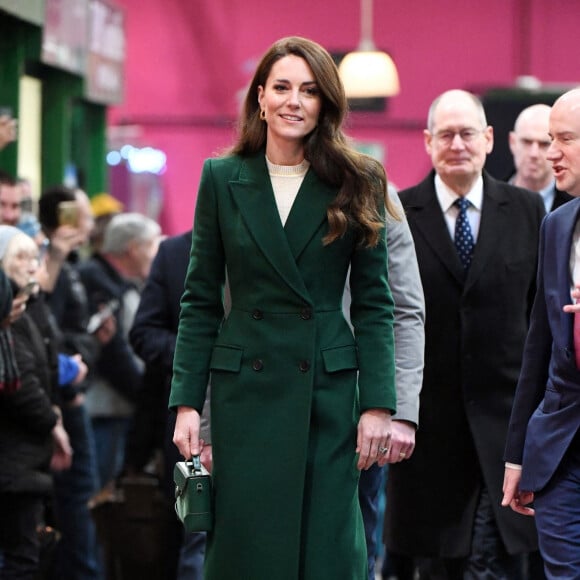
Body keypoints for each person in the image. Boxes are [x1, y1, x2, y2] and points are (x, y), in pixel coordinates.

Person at [170, 36, 396, 580]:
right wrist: (185, 404)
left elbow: (374, 305)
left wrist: (378, 405)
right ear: (261, 97)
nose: (295, 101)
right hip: (244, 394)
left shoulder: (357, 178)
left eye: (310, 90)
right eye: (283, 88)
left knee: (328, 551)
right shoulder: (222, 178)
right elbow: (199, 299)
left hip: (325, 388)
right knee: (248, 550)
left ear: (326, 103)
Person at [385, 89, 545, 580]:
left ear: (490, 139)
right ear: (428, 141)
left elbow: (540, 324)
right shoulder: (397, 214)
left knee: (506, 562)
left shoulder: (528, 212)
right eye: (446, 134)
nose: (457, 144)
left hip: (509, 432)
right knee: (434, 565)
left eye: (468, 133)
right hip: (427, 434)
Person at [502, 87, 580, 578]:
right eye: (549, 139)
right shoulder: (555, 224)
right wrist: (516, 456)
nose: (549, 153)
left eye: (564, 140)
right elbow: (540, 348)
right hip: (558, 453)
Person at [129, 230, 210, 580]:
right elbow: (143, 333)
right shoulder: (175, 252)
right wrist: (195, 353)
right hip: (189, 413)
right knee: (196, 531)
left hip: (262, 411)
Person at [0, 225, 73, 578]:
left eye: (34, 257)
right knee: (21, 559)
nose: (32, 266)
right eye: (21, 257)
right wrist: (52, 419)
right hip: (14, 460)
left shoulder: (24, 309)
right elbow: (20, 385)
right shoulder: (10, 317)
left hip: (22, 459)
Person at [79, 212, 161, 490]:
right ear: (133, 248)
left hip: (119, 407)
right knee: (98, 494)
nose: (156, 254)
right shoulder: (96, 279)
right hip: (103, 408)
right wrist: (145, 393)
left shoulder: (122, 282)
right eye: (151, 246)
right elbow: (111, 353)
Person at [509, 103, 573, 212]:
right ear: (512, 142)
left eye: (544, 144)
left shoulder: (574, 207)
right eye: (527, 142)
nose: (534, 154)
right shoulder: (487, 200)